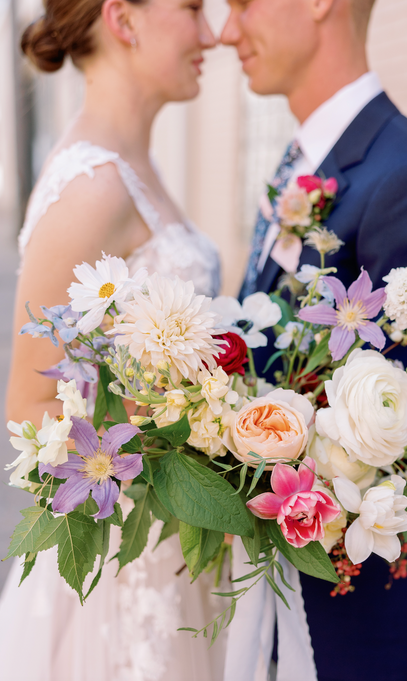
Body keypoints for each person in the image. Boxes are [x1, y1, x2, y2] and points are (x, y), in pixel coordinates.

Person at [221, 1, 407, 680]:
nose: (226, 30)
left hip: (357, 610)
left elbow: (402, 432)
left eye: (242, 4)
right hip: (285, 585)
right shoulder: (302, 161)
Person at [0, 1, 225, 679]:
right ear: (124, 19)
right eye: (191, 8)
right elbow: (27, 406)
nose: (210, 33)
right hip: (126, 571)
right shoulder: (91, 188)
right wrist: (179, 433)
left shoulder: (135, 165)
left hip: (176, 553)